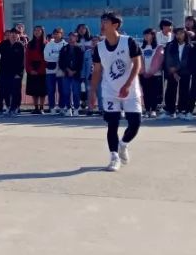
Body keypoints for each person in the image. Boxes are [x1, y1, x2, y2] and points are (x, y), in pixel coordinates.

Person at [89, 11, 142, 172]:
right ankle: (114, 157)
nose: (102, 25)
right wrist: (92, 91)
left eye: (105, 22)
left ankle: (123, 144)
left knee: (135, 123)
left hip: (130, 89)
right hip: (110, 91)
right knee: (112, 124)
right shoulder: (99, 48)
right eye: (101, 22)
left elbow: (137, 64)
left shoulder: (129, 42)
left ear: (115, 25)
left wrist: (127, 85)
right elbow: (97, 71)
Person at [0, 29, 25, 116]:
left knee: (15, 92)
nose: (13, 35)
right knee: (2, 91)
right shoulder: (3, 43)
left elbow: (22, 61)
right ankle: (1, 108)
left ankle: (14, 108)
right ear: (9, 35)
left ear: (18, 36)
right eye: (12, 34)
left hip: (15, 73)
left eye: (16, 34)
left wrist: (19, 73)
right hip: (4, 72)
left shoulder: (20, 45)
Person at [164, 28, 191, 120]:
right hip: (172, 71)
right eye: (177, 34)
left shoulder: (189, 46)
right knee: (170, 90)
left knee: (184, 90)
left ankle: (182, 110)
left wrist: (177, 68)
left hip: (185, 71)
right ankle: (170, 110)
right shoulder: (170, 45)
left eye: (181, 33)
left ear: (185, 34)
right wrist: (173, 71)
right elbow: (167, 58)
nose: (179, 36)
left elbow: (187, 60)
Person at [58, 32, 85, 116]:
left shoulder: (79, 49)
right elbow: (61, 61)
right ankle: (68, 108)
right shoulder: (64, 49)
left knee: (76, 92)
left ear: (76, 38)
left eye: (73, 37)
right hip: (66, 73)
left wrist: (74, 71)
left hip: (76, 74)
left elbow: (81, 62)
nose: (71, 38)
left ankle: (76, 108)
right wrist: (67, 70)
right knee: (66, 92)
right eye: (70, 36)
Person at [139, 29, 164, 119]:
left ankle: (153, 110)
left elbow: (159, 60)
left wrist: (151, 71)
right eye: (145, 34)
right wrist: (143, 72)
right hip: (144, 74)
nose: (146, 36)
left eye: (148, 34)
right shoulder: (141, 47)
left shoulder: (158, 47)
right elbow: (139, 60)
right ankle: (146, 110)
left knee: (154, 93)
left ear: (153, 35)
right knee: (146, 93)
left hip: (155, 74)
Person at [43, 28, 67, 114]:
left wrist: (53, 55)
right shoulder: (48, 45)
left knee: (62, 90)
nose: (56, 35)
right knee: (51, 90)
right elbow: (46, 57)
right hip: (50, 71)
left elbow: (65, 57)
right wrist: (58, 56)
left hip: (61, 71)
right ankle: (52, 107)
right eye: (54, 33)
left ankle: (62, 107)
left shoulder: (65, 44)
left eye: (58, 33)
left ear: (61, 34)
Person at [25, 26, 47, 114]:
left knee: (42, 90)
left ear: (42, 32)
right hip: (32, 68)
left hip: (43, 69)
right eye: (35, 30)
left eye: (39, 30)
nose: (37, 32)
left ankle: (42, 107)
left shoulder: (46, 43)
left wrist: (41, 69)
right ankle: (36, 107)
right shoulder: (30, 44)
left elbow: (46, 58)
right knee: (34, 90)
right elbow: (27, 58)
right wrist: (30, 69)